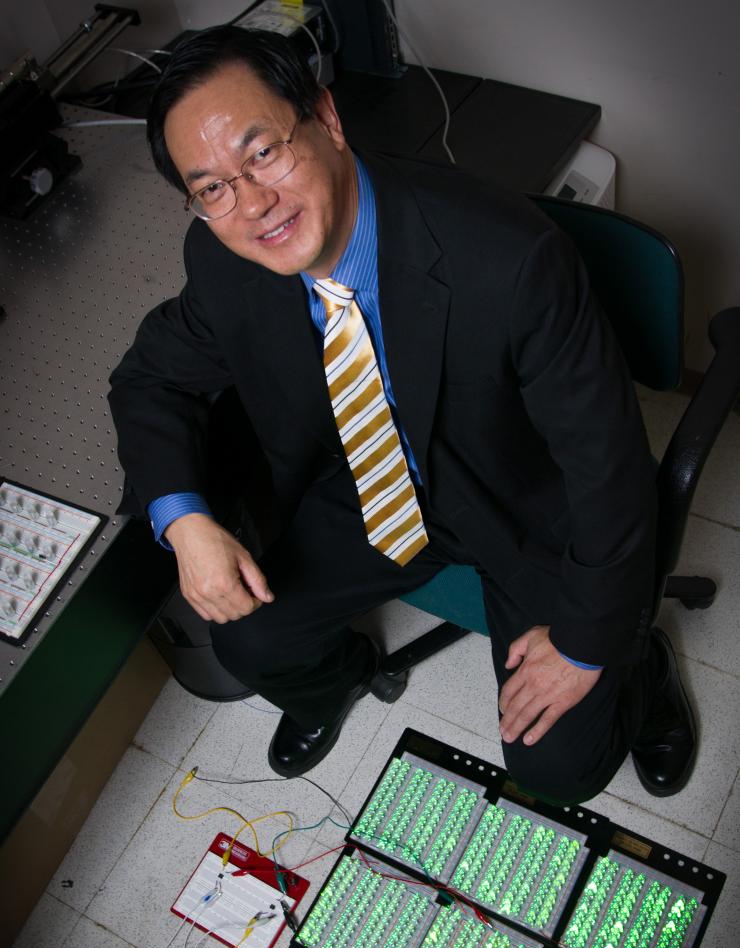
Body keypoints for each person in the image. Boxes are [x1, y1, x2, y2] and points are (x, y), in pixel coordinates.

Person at [109, 25, 695, 802]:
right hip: (371, 487)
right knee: (245, 636)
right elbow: (148, 378)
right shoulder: (222, 258)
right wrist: (184, 520)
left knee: (556, 769)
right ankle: (342, 678)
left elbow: (611, 470)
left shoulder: (512, 260)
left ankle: (641, 669)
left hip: (524, 503)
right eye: (212, 187)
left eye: (263, 153)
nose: (252, 204)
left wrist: (592, 645)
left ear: (326, 117)